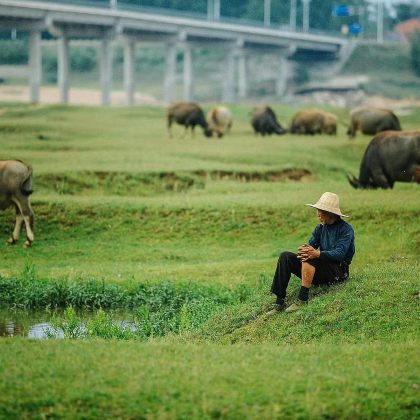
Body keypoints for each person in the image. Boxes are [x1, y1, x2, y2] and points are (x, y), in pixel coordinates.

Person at [269, 192, 355, 314]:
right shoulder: (319, 228)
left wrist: (316, 254)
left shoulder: (346, 230)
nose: (318, 215)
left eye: (321, 211)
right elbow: (311, 246)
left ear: (330, 213)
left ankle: (303, 298)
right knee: (285, 256)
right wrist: (303, 251)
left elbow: (339, 254)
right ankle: (279, 301)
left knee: (312, 255)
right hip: (320, 270)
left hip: (338, 271)